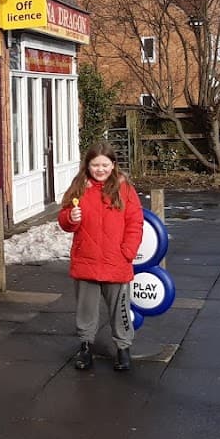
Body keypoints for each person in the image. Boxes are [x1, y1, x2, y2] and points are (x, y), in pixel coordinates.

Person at [58, 141, 144, 372]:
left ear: (113, 165)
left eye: (105, 165)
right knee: (86, 310)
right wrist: (71, 218)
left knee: (120, 309)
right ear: (87, 165)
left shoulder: (124, 189)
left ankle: (123, 348)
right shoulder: (78, 187)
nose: (100, 170)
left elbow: (135, 222)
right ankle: (86, 347)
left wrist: (128, 251)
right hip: (86, 259)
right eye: (95, 165)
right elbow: (64, 219)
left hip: (116, 261)